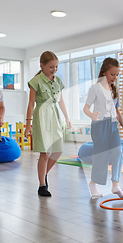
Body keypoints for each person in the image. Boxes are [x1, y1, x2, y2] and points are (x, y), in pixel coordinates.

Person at [83, 57, 123, 198]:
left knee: (118, 153)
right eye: (112, 74)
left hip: (112, 126)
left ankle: (116, 185)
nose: (115, 77)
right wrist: (91, 115)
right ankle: (93, 183)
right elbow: (85, 108)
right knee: (101, 157)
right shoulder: (95, 88)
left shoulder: (114, 90)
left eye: (117, 75)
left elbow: (117, 111)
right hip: (99, 126)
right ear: (104, 72)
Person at [25, 51, 71, 197]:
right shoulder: (36, 81)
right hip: (41, 116)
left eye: (56, 67)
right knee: (44, 152)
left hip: (54, 115)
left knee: (58, 150)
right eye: (51, 67)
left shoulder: (58, 81)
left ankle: (43, 174)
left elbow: (61, 101)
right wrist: (28, 124)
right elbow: (31, 103)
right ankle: (42, 185)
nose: (54, 70)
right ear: (42, 65)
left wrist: (67, 118)